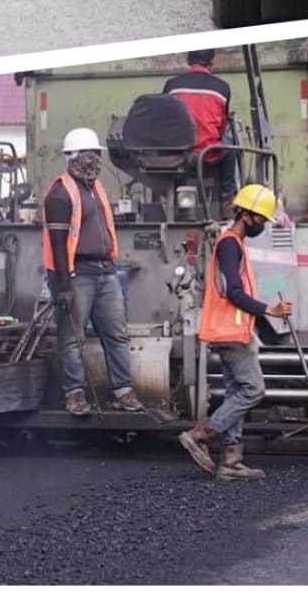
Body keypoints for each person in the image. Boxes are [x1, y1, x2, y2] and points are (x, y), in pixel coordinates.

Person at [178, 184, 293, 481]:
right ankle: (200, 434)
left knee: (235, 392)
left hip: (231, 331)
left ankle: (231, 461)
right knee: (253, 390)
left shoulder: (235, 244)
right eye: (262, 219)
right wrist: (271, 310)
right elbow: (234, 293)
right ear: (246, 214)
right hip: (230, 332)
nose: (264, 225)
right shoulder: (230, 244)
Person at [42, 126, 145, 417]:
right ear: (72, 156)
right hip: (78, 276)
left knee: (116, 335)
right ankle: (74, 395)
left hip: (105, 272)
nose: (94, 160)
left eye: (96, 154)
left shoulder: (96, 188)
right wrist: (62, 284)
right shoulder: (60, 194)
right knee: (73, 338)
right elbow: (58, 244)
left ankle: (123, 391)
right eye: (88, 154)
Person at [162, 49, 237, 217]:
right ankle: (227, 201)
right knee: (231, 150)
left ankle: (175, 203)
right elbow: (222, 126)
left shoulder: (172, 86)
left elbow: (164, 120)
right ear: (212, 61)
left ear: (189, 61)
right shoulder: (222, 88)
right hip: (208, 153)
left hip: (179, 154)